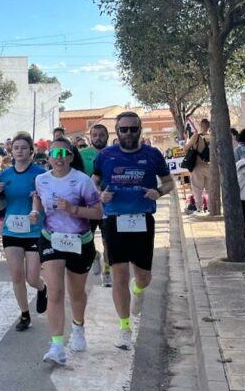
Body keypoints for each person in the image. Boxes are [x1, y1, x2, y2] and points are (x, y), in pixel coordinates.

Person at [94, 110, 175, 349]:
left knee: (143, 277)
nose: (128, 133)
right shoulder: (106, 156)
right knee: (119, 275)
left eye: (133, 128)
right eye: (123, 129)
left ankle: (138, 291)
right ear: (116, 132)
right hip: (115, 220)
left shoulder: (152, 154)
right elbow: (94, 180)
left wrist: (159, 192)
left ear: (140, 129)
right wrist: (100, 195)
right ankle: (124, 328)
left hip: (142, 220)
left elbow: (169, 181)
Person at [32, 137, 104, 365]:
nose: (59, 159)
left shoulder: (82, 181)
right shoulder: (41, 180)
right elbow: (38, 200)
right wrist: (35, 212)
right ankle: (56, 346)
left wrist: (73, 209)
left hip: (79, 241)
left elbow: (98, 213)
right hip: (51, 239)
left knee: (76, 293)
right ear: (49, 157)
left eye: (64, 154)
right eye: (55, 154)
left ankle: (78, 326)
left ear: (71, 157)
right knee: (55, 291)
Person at [0, 133, 48, 332]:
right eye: (16, 148)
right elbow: (0, 205)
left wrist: (39, 200)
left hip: (34, 231)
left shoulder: (40, 174)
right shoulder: (5, 175)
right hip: (11, 230)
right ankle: (25, 314)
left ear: (31, 151)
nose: (20, 151)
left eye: (24, 147)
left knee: (32, 278)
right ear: (11, 151)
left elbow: (48, 203)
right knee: (17, 276)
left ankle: (42, 289)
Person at [83, 123, 113, 287]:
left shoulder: (114, 153)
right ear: (90, 137)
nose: (98, 138)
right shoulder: (82, 154)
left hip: (109, 205)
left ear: (107, 136)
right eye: (94, 135)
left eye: (101, 135)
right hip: (88, 205)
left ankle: (107, 271)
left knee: (108, 240)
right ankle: (94, 256)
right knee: (86, 239)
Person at [186, 119, 214, 213]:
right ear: (209, 127)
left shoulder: (196, 136)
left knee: (197, 189)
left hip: (198, 166)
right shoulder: (213, 137)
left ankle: (199, 209)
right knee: (210, 189)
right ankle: (210, 208)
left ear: (201, 126)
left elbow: (186, 148)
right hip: (210, 166)